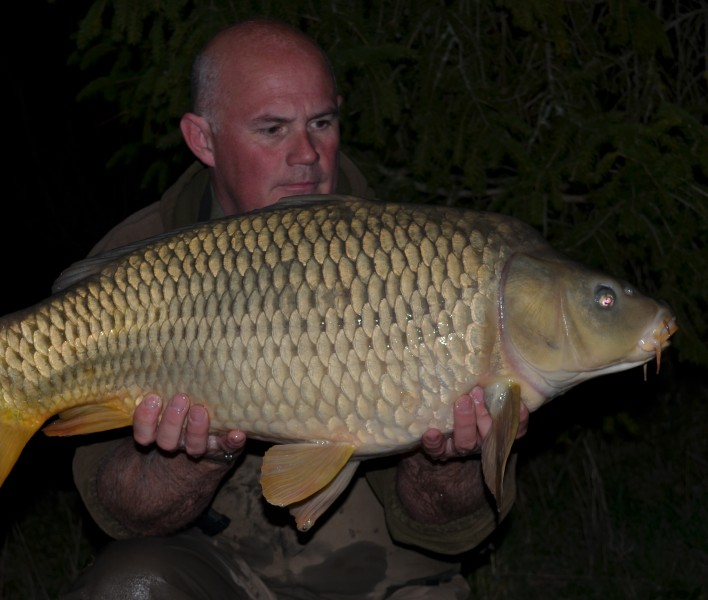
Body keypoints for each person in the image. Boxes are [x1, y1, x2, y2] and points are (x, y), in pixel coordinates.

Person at [62, 18, 529, 600]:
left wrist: (451, 459)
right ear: (203, 139)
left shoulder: (416, 262)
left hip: (383, 581)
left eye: (323, 123)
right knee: (124, 587)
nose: (307, 154)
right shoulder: (134, 270)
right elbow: (123, 516)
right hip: (220, 576)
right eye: (273, 128)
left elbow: (446, 527)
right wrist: (193, 460)